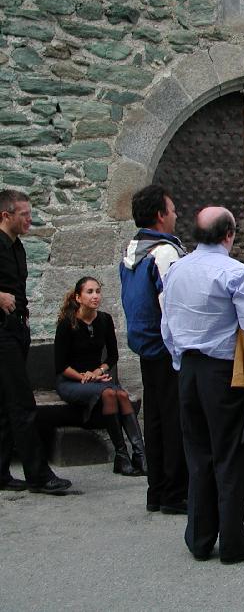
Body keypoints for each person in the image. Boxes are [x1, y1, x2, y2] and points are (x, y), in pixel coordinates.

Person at [161, 206, 244, 564]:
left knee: (198, 454)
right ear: (229, 235)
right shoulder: (233, 271)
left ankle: (199, 538)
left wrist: (180, 360)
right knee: (231, 456)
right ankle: (232, 540)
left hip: (189, 369)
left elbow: (167, 323)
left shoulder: (176, 269)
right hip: (224, 372)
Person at [120, 184, 188, 513]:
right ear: (160, 215)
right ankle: (175, 494)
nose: (176, 215)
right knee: (175, 421)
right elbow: (172, 305)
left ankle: (157, 491)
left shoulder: (132, 252)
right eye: (172, 210)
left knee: (157, 419)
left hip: (146, 346)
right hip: (166, 348)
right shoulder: (163, 253)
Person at [0, 190, 72, 495]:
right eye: (24, 214)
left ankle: (1, 473)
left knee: (5, 405)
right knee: (22, 404)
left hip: (16, 330)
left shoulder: (17, 246)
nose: (30, 219)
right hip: (2, 334)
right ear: (6, 215)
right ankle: (38, 475)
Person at [55, 277, 145, 477]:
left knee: (121, 395)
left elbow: (112, 356)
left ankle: (140, 455)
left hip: (97, 380)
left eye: (97, 291)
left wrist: (98, 372)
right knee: (110, 393)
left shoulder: (104, 320)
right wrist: (84, 377)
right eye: (89, 292)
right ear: (78, 297)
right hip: (71, 381)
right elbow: (60, 366)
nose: (95, 296)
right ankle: (121, 455)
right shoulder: (67, 323)